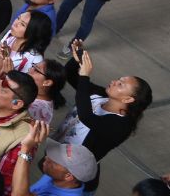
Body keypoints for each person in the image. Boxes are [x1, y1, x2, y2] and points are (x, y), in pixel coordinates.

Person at [57, 43, 153, 195]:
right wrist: (78, 59)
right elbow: (71, 75)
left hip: (75, 178)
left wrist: (85, 76)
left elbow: (86, 117)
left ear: (128, 99)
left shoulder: (121, 125)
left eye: (120, 84)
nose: (114, 82)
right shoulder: (102, 95)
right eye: (118, 79)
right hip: (58, 161)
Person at [11, 120, 97, 196]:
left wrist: (25, 149)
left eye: (55, 160)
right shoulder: (54, 177)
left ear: (68, 176)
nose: (47, 157)